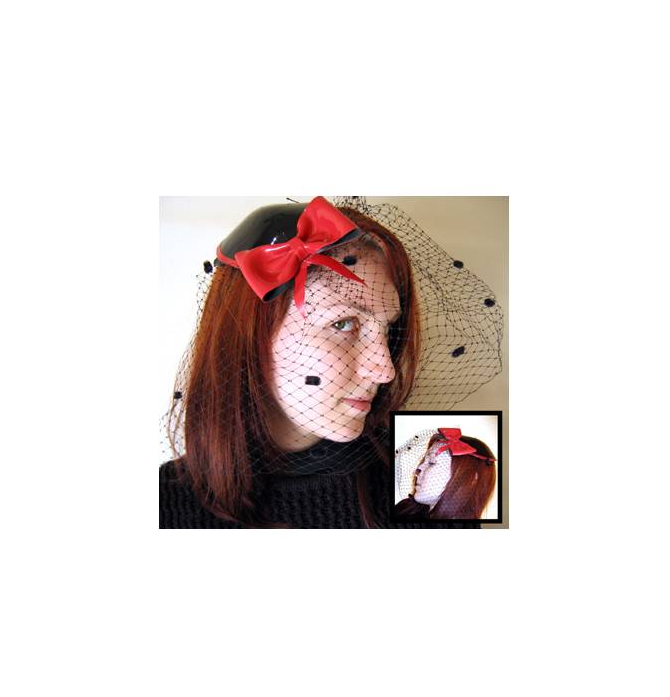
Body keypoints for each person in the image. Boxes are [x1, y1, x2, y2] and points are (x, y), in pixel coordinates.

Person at [159, 197, 483, 528]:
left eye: (388, 330)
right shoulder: (164, 505)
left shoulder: (424, 498)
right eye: (343, 324)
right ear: (249, 335)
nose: (385, 370)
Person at [393, 429, 497, 521]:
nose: (418, 469)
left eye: (431, 463)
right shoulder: (404, 509)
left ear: (471, 479)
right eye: (424, 461)